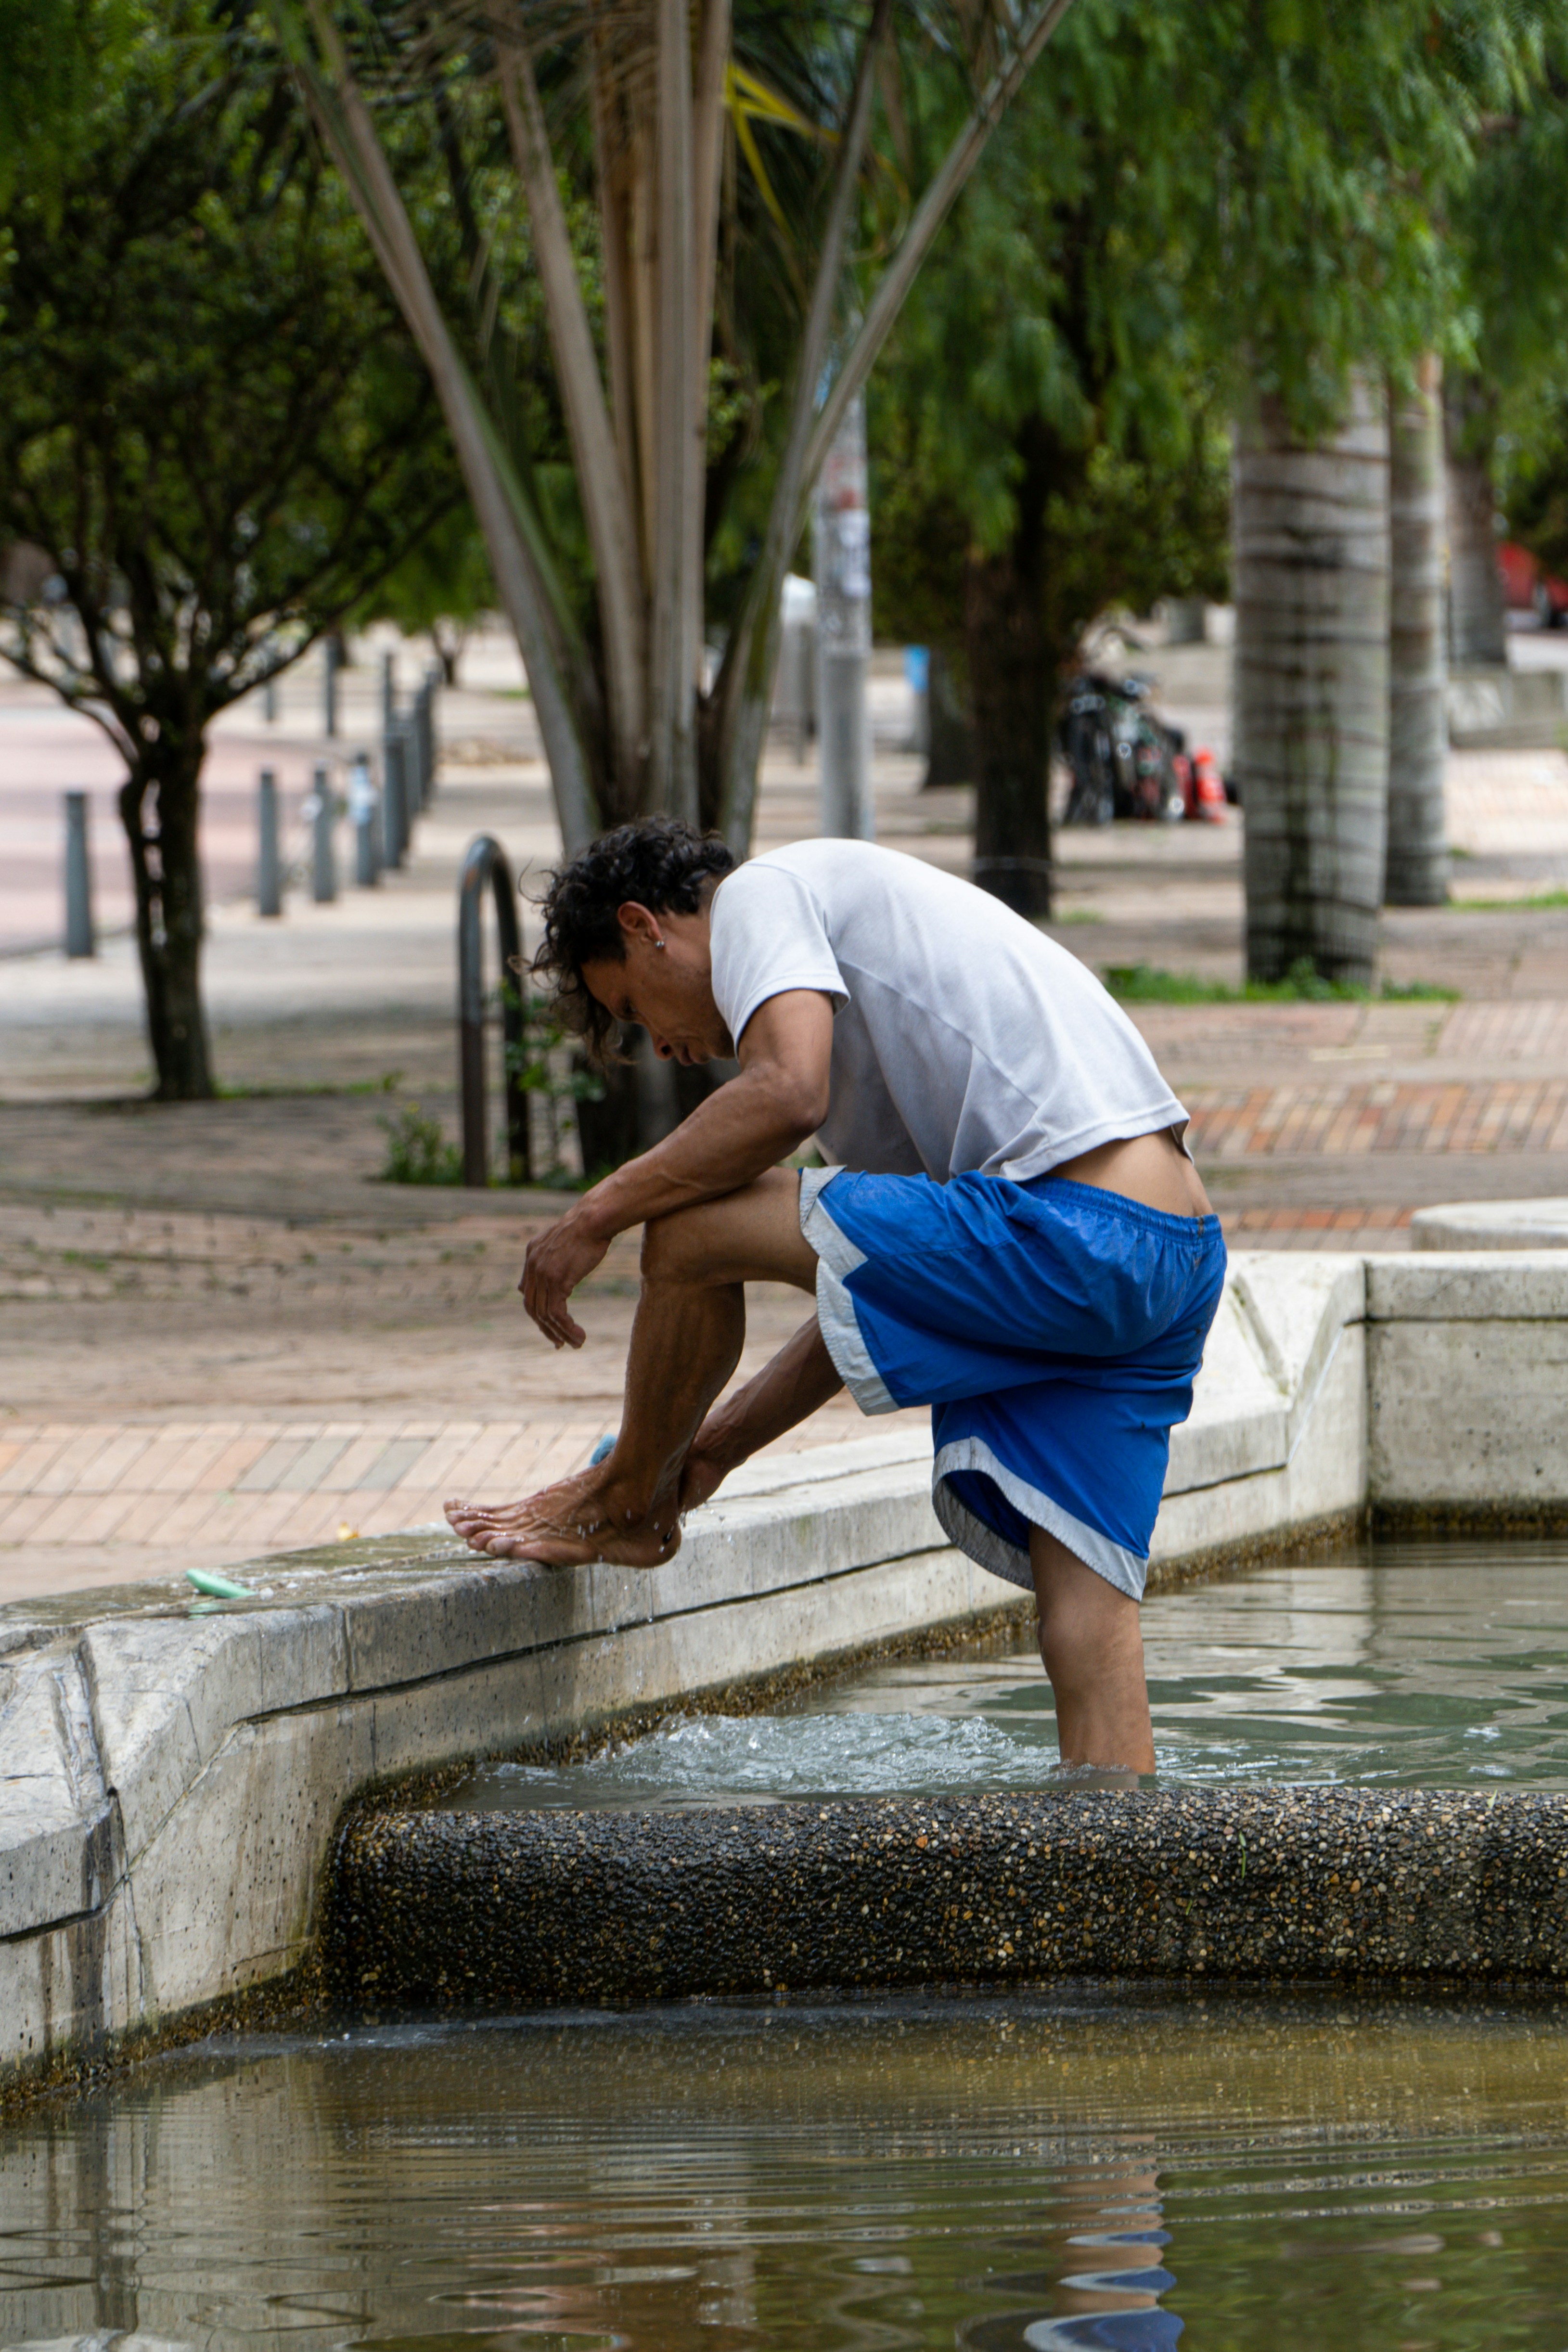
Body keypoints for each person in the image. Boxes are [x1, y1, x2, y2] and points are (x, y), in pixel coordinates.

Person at [446, 818, 1226, 1773]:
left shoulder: (764, 896)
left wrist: (593, 1214)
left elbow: (784, 1093)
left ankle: (625, 1500)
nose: (664, 1046)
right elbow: (888, 1296)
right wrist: (713, 1451)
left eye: (635, 1009)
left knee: (686, 1225)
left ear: (649, 925)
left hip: (1076, 1233)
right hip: (1170, 1253)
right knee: (1086, 1623)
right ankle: (1120, 1884)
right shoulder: (873, 1041)